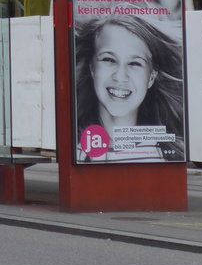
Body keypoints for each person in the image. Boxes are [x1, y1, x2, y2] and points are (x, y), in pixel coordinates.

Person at [74, 14, 185, 163]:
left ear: (151, 77)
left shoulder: (171, 155)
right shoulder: (74, 151)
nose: (120, 77)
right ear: (92, 68)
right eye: (109, 59)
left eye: (134, 63)